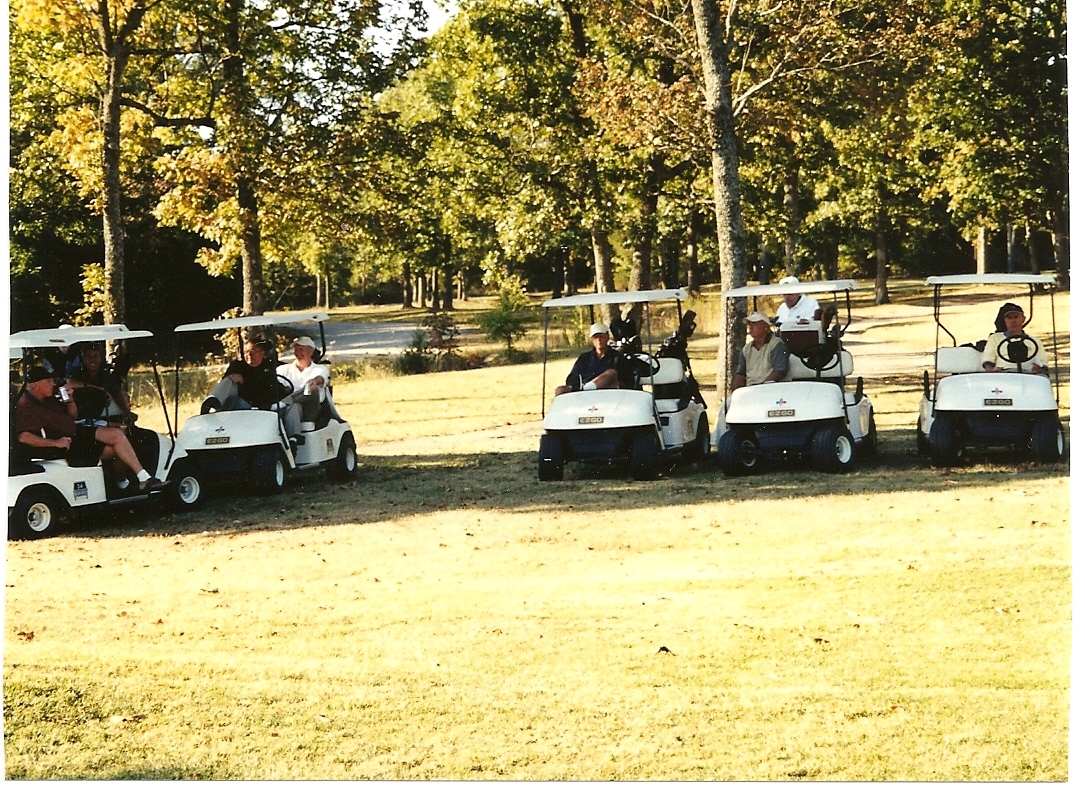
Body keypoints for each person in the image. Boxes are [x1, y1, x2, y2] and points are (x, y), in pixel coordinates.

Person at [14, 365, 167, 491]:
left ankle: (139, 479)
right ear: (35, 385)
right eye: (48, 381)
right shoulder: (26, 406)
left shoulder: (48, 398)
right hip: (65, 444)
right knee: (117, 447)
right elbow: (24, 437)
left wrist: (70, 401)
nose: (53, 384)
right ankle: (127, 482)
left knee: (117, 435)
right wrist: (56, 443)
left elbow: (72, 417)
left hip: (75, 433)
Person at [200, 339, 281, 414]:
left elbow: (267, 391)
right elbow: (226, 385)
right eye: (246, 352)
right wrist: (232, 377)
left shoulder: (268, 367)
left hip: (258, 407)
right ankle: (209, 403)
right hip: (236, 402)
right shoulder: (237, 366)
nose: (249, 355)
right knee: (229, 380)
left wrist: (244, 381)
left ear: (262, 353)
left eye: (253, 351)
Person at [274, 336, 331, 436]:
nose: (298, 353)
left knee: (310, 387)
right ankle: (294, 438)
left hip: (311, 408)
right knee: (294, 406)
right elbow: (278, 384)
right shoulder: (283, 369)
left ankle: (284, 403)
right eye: (296, 350)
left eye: (301, 349)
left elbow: (320, 378)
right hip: (292, 408)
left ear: (311, 351)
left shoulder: (320, 368)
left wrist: (315, 381)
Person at [66, 342, 133, 423]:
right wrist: (99, 389)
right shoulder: (78, 374)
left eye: (95, 356)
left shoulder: (106, 376)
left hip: (100, 420)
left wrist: (126, 411)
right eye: (89, 356)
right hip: (80, 420)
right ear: (83, 360)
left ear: (101, 359)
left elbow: (117, 393)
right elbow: (69, 383)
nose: (92, 359)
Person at [982, 302, 1049, 375]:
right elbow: (988, 361)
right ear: (1005, 321)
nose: (1013, 321)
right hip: (1003, 374)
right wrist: (992, 370)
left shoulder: (1034, 341)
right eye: (1009, 318)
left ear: (1023, 319)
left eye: (1016, 317)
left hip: (1029, 374)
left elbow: (1043, 364)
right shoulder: (995, 338)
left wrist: (1039, 369)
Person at [555, 322, 620, 396]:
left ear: (607, 337)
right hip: (583, 391)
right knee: (560, 390)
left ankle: (585, 389)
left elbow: (617, 378)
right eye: (596, 337)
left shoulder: (616, 356)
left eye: (601, 336)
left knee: (611, 373)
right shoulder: (584, 357)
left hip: (606, 392)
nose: (599, 339)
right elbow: (574, 377)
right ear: (592, 339)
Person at [733, 312, 790, 388]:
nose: (750, 327)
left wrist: (763, 387)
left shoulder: (777, 345)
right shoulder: (747, 349)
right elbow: (740, 374)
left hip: (771, 389)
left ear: (766, 327)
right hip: (750, 389)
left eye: (755, 324)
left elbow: (780, 371)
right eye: (749, 324)